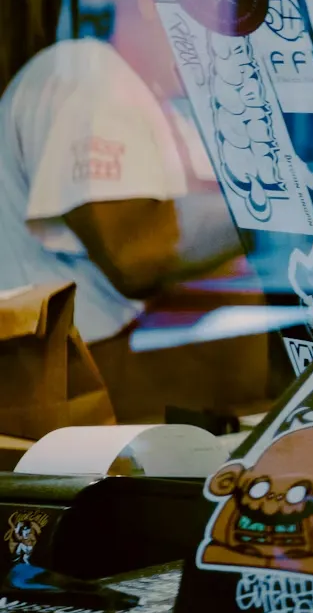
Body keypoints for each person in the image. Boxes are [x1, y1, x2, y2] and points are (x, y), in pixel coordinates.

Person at [0, 35, 242, 397]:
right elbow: (135, 258)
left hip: (129, 386)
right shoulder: (90, 75)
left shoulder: (164, 100)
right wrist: (275, 217)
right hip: (70, 392)